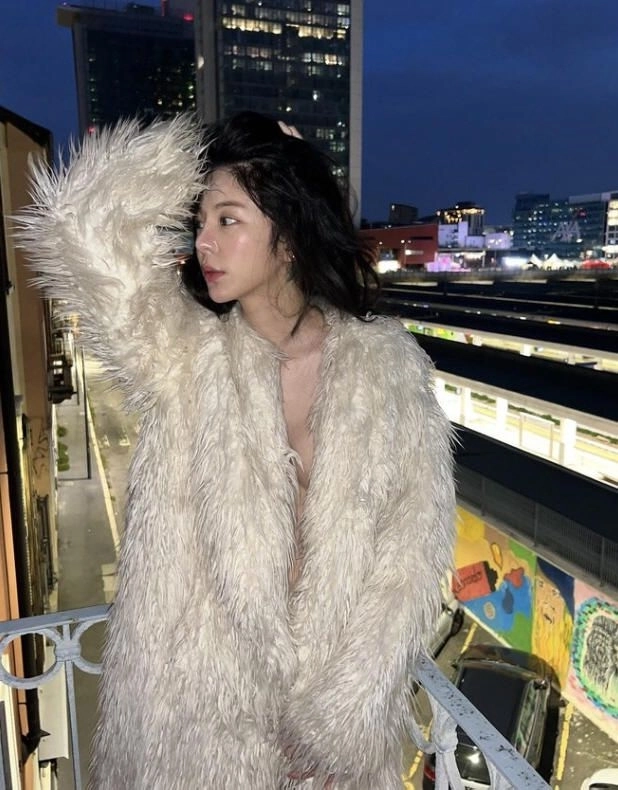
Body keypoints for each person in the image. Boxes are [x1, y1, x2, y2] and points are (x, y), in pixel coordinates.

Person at [17, 111, 456, 789]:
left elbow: (409, 560)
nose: (203, 241)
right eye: (200, 220)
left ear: (289, 233)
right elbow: (79, 222)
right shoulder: (184, 355)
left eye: (228, 220)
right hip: (196, 731)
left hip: (325, 738)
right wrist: (201, 147)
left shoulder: (386, 369)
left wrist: (344, 714)